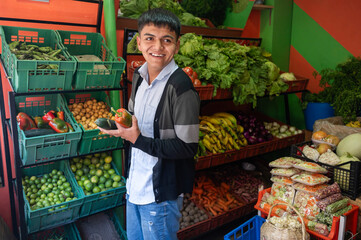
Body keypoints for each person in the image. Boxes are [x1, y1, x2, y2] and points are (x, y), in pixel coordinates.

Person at [98, 8, 200, 240]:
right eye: (149, 39)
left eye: (167, 40)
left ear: (177, 44)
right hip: (135, 185)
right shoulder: (139, 77)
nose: (157, 47)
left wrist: (138, 140)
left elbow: (187, 147)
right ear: (139, 42)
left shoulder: (181, 88)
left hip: (159, 195)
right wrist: (121, 130)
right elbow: (134, 119)